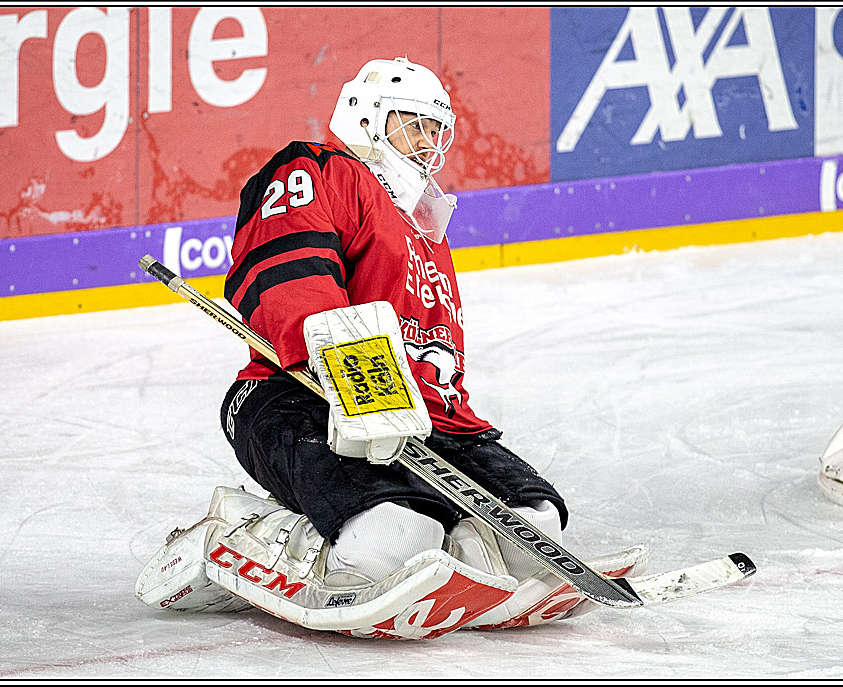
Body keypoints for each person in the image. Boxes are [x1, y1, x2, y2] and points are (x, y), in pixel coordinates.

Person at [134, 57, 645, 639]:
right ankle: (248, 536)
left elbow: (434, 353)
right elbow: (289, 276)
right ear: (368, 119)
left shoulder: (427, 228)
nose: (428, 142)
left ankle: (441, 549)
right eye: (413, 124)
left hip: (417, 420)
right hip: (293, 397)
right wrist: (357, 380)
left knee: (535, 527)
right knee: (399, 537)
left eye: (437, 130)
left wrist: (449, 425)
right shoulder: (320, 171)